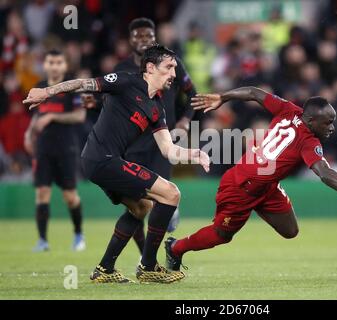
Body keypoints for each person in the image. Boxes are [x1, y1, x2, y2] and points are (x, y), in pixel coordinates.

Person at [23, 45, 210, 284]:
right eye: (169, 67)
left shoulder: (156, 108)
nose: (174, 74)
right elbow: (83, 83)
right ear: (150, 67)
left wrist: (195, 154)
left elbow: (168, 149)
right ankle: (148, 266)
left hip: (106, 161)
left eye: (175, 68)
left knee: (141, 207)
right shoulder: (125, 82)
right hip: (100, 158)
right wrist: (47, 92)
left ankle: (105, 269)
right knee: (171, 193)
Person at [164, 87, 337, 271]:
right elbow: (324, 173)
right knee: (221, 235)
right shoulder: (309, 141)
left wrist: (224, 97)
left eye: (332, 121)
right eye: (327, 123)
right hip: (240, 186)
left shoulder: (289, 110)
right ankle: (175, 248)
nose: (331, 127)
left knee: (290, 231)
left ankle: (260, 200)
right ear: (311, 120)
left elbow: (254, 93)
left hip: (266, 185)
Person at [113, 17, 197, 254]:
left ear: (155, 38)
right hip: (131, 144)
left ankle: (150, 251)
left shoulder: (172, 63)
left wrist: (184, 121)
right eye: (138, 36)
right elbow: (110, 104)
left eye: (148, 36)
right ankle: (146, 258)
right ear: (129, 40)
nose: (143, 40)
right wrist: (93, 104)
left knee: (159, 203)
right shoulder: (121, 70)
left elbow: (193, 94)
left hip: (162, 142)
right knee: (136, 205)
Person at [24, 49, 86, 252]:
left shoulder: (72, 88)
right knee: (42, 193)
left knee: (70, 196)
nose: (55, 66)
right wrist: (29, 133)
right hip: (44, 148)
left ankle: (78, 235)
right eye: (51, 62)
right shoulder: (39, 88)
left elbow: (79, 116)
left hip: (66, 148)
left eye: (59, 62)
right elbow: (36, 114)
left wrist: (52, 117)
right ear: (45, 65)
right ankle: (42, 241)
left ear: (65, 66)